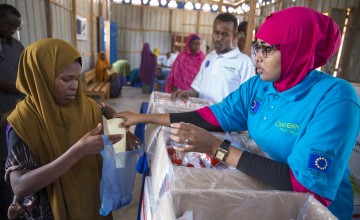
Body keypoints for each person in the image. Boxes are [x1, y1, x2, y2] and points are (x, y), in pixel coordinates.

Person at [114, 7, 360, 219]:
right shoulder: (260, 86)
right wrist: (144, 117)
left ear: (298, 50)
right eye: (257, 47)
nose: (258, 58)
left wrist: (217, 149)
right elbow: (212, 116)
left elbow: (302, 183)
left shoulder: (335, 98)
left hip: (313, 210)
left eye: (268, 50)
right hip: (272, 192)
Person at [4, 38, 122, 219]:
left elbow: (107, 111)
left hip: (91, 203)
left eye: (77, 78)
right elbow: (20, 185)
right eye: (66, 79)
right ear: (40, 78)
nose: (75, 86)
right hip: (50, 209)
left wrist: (113, 116)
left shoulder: (86, 106)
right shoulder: (24, 121)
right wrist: (78, 151)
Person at [172, 13, 255, 104]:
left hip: (225, 118)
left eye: (224, 34)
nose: (218, 38)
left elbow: (248, 99)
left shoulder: (244, 63)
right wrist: (186, 93)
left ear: (235, 36)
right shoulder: (209, 58)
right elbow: (196, 90)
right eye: (216, 32)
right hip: (202, 116)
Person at [0, 4, 24, 219]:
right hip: (5, 111)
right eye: (9, 24)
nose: (13, 30)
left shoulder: (16, 46)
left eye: (16, 26)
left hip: (17, 116)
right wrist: (5, 85)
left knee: (15, 164)